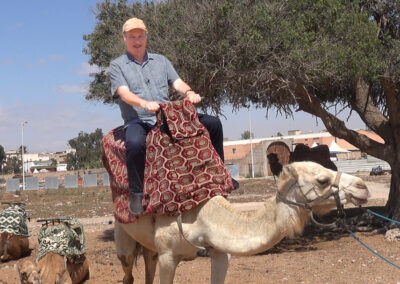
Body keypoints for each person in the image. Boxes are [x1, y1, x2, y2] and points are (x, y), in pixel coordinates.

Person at [109, 17, 238, 216]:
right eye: (132, 36)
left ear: (146, 37)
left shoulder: (161, 60)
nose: (137, 40)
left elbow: (177, 82)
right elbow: (124, 93)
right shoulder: (118, 65)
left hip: (168, 116)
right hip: (139, 119)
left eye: (140, 36)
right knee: (135, 143)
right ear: (124, 38)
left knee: (213, 124)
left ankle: (222, 174)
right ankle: (136, 193)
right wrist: (143, 103)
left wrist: (189, 93)